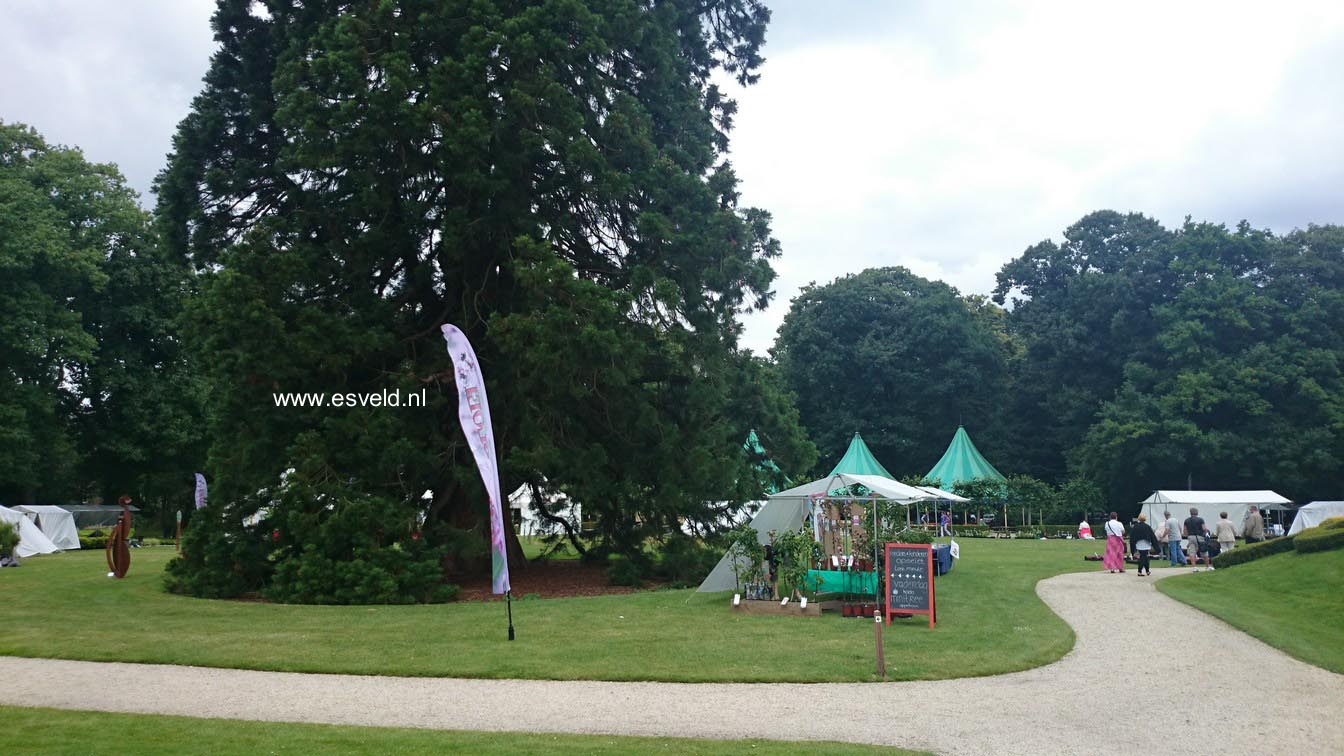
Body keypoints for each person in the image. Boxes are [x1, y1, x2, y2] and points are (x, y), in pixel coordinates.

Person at [1182, 508, 1213, 572]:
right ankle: (1207, 567)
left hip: (1191, 537)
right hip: (1200, 536)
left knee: (1192, 552)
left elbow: (1185, 531)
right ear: (1197, 513)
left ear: (1190, 513)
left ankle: (1194, 567)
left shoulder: (1186, 520)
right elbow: (1204, 529)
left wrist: (1188, 536)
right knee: (1204, 551)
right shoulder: (1200, 519)